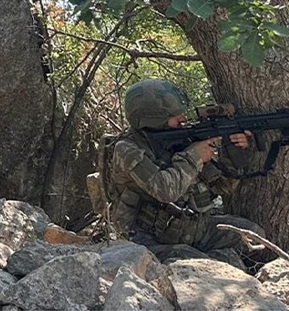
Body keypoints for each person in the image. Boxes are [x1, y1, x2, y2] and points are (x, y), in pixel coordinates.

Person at [105, 78, 268, 265]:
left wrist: (234, 151)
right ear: (153, 116)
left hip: (191, 229)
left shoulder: (179, 140)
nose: (183, 118)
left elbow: (224, 186)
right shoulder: (126, 149)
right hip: (147, 240)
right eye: (175, 115)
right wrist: (194, 157)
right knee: (206, 264)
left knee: (255, 237)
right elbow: (165, 190)